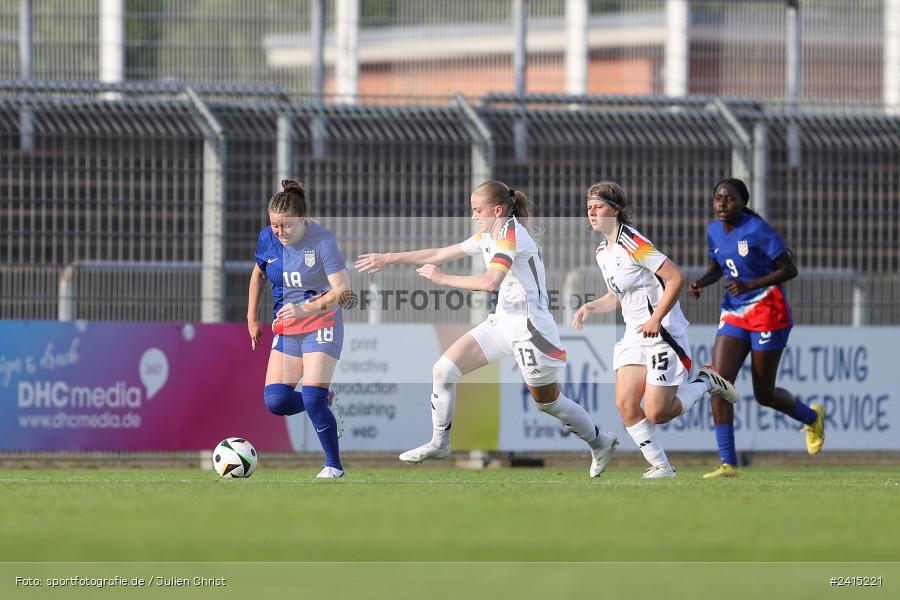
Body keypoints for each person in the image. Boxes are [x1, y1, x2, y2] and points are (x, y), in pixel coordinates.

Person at [356, 180, 618, 478]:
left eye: (477, 210)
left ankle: (600, 442)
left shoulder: (511, 235)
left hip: (532, 331)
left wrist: (443, 280)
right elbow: (442, 253)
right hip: (502, 323)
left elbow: (490, 282)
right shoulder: (488, 234)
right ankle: (439, 442)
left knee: (548, 402)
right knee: (444, 369)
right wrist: (389, 258)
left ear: (497, 210)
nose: (474, 216)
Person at [572, 181, 738, 479]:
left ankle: (705, 381)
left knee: (657, 412)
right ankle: (661, 466)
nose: (592, 213)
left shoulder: (634, 243)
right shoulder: (602, 251)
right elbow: (619, 294)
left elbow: (676, 278)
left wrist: (656, 319)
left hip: (662, 335)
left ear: (616, 208)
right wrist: (591, 307)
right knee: (625, 403)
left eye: (597, 206)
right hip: (635, 336)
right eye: (588, 208)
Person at [688, 178, 824, 479]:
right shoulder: (714, 231)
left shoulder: (758, 231)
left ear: (743, 203)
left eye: (730, 199)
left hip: (768, 312)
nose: (723, 203)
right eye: (718, 198)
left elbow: (790, 269)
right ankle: (728, 464)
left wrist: (750, 284)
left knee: (764, 394)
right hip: (735, 312)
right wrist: (701, 282)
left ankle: (812, 417)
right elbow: (718, 267)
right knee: (718, 384)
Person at [247, 179, 351, 479]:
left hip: (322, 321)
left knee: (312, 398)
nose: (280, 232)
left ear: (303, 220)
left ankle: (334, 467)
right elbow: (258, 275)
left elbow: (342, 291)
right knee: (276, 401)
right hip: (287, 326)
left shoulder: (322, 240)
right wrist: (251, 317)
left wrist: (305, 309)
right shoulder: (268, 239)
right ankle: (326, 402)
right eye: (274, 225)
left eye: (287, 226)